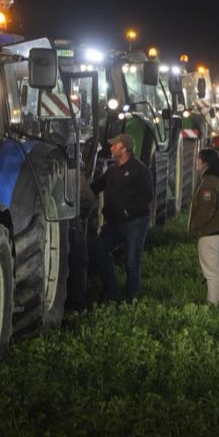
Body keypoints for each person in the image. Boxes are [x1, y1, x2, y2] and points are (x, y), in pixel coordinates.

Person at [91, 133, 153, 302]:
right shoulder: (113, 170)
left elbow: (147, 195)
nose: (110, 147)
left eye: (114, 145)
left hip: (134, 222)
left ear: (124, 148)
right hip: (114, 223)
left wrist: (129, 211)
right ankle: (112, 293)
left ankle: (131, 299)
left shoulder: (139, 169)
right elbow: (96, 187)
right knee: (101, 251)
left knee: (131, 262)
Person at [189, 148, 219, 306]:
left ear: (205, 162)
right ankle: (216, 301)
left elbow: (206, 210)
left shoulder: (209, 182)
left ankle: (214, 305)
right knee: (214, 270)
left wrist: (193, 226)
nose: (196, 162)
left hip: (212, 232)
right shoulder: (216, 179)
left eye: (198, 159)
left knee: (212, 273)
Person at [66, 176, 95, 313]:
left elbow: (88, 200)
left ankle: (77, 305)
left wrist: (76, 218)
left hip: (73, 225)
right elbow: (88, 201)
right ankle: (76, 305)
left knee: (78, 263)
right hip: (73, 223)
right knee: (78, 264)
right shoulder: (74, 174)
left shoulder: (74, 175)